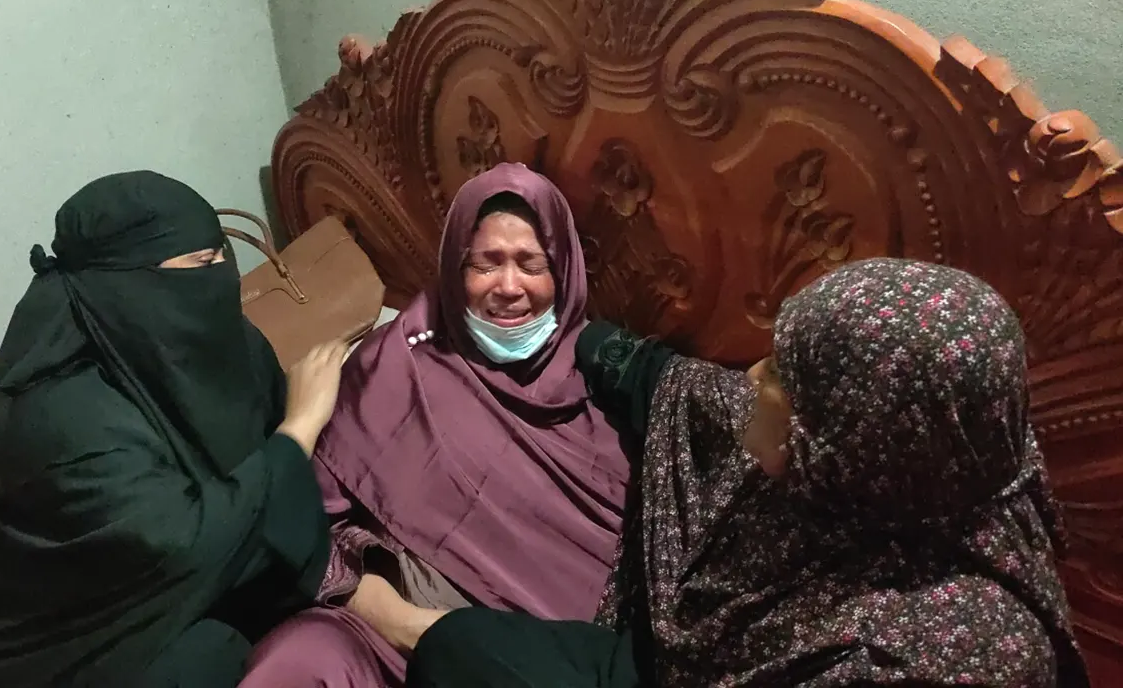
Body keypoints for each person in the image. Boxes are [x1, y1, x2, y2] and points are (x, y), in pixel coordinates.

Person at [405, 258, 1092, 687]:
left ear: (836, 434)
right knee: (459, 647)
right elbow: (668, 381)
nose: (754, 374)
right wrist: (554, 329)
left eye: (781, 374)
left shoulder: (942, 659)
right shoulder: (901, 461)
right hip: (677, 660)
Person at [0, 171, 348, 687]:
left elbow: (283, 499)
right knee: (208, 657)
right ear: (127, 281)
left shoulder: (224, 347)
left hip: (170, 603)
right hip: (36, 651)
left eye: (221, 256)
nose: (220, 277)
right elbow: (178, 549)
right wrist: (299, 429)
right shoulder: (57, 416)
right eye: (198, 264)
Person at [240, 163, 633, 686]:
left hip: (544, 660)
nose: (509, 287)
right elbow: (310, 525)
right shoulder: (391, 366)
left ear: (563, 270)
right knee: (298, 660)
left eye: (531, 264)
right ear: (453, 267)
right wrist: (401, 620)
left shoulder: (607, 382)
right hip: (394, 629)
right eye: (485, 264)